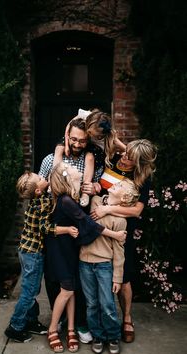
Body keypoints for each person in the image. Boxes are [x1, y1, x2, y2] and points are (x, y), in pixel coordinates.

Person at [46, 162, 127, 353]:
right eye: (71, 167)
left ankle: (72, 329)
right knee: (66, 290)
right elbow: (87, 223)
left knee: (72, 288)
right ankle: (52, 329)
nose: (76, 168)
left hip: (70, 247)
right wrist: (115, 235)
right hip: (59, 248)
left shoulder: (71, 197)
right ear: (66, 176)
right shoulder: (65, 200)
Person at [39, 116, 103, 344]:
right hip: (57, 227)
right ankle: (61, 322)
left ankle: (79, 322)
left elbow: (99, 188)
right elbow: (42, 193)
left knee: (80, 277)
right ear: (67, 136)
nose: (77, 144)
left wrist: (95, 187)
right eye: (73, 139)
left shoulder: (91, 159)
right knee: (56, 277)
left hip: (82, 228)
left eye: (82, 141)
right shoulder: (49, 160)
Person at [90, 139, 157, 344]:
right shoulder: (114, 158)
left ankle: (127, 318)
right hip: (97, 223)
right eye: (126, 153)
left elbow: (137, 210)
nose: (125, 158)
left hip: (121, 229)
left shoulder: (142, 177)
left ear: (139, 163)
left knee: (124, 275)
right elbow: (110, 136)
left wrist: (108, 209)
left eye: (131, 158)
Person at [4, 172, 79, 343]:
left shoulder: (37, 199)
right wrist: (66, 229)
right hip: (33, 254)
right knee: (29, 292)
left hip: (25, 250)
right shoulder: (43, 203)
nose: (44, 177)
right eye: (41, 179)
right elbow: (45, 228)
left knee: (32, 289)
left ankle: (30, 321)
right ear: (38, 190)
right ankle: (15, 327)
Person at [79, 179, 139, 354]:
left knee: (107, 304)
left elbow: (120, 253)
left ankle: (112, 336)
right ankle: (97, 335)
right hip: (85, 262)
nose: (115, 184)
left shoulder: (121, 221)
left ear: (125, 198)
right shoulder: (96, 202)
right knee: (91, 303)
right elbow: (90, 225)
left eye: (120, 186)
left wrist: (118, 278)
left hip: (105, 265)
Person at [53, 108, 125, 207]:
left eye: (94, 136)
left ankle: (85, 193)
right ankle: (55, 180)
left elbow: (123, 147)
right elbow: (69, 126)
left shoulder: (109, 134)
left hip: (91, 147)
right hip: (73, 137)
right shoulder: (85, 115)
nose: (90, 136)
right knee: (58, 149)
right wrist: (66, 144)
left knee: (90, 157)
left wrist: (128, 152)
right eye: (90, 132)